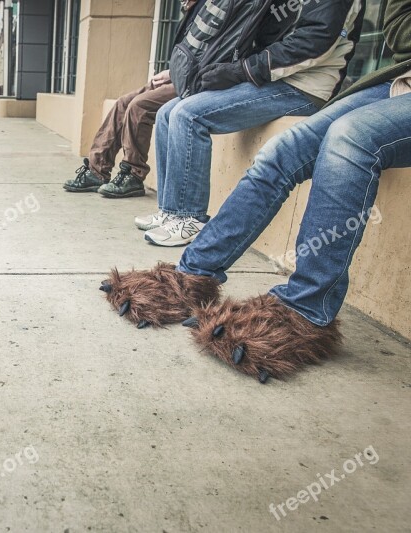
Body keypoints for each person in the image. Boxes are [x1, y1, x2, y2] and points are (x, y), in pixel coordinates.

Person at [102, 0, 411, 384]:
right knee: (283, 149)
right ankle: (193, 275)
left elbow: (315, 38)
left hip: (309, 84)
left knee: (351, 139)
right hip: (399, 81)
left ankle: (306, 309)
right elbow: (399, 30)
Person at [140, 0, 366, 246]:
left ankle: (189, 218)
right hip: (271, 80)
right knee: (167, 112)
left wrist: (242, 70)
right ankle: (170, 210)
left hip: (305, 87)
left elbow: (313, 44)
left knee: (188, 114)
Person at [63, 0, 200, 199]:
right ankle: (97, 171)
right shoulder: (192, 11)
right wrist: (171, 73)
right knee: (123, 103)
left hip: (196, 82)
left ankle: (134, 176)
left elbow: (212, 57)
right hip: (181, 76)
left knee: (139, 106)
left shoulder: (214, 11)